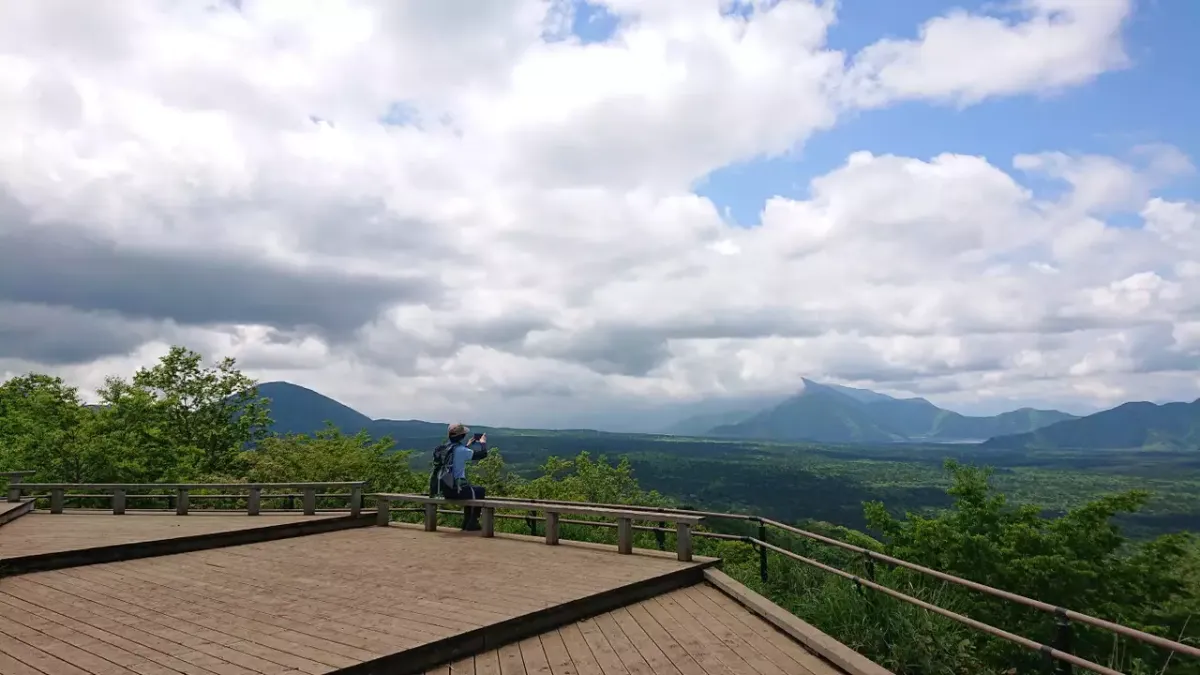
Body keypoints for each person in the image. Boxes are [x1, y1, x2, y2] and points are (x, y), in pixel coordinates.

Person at [434, 422, 489, 531]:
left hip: (444, 489)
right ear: (462, 436)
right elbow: (483, 454)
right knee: (480, 491)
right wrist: (483, 442)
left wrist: (468, 445)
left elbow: (456, 455)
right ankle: (473, 521)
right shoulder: (462, 450)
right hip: (457, 490)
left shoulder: (444, 448)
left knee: (470, 491)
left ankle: (467, 522)